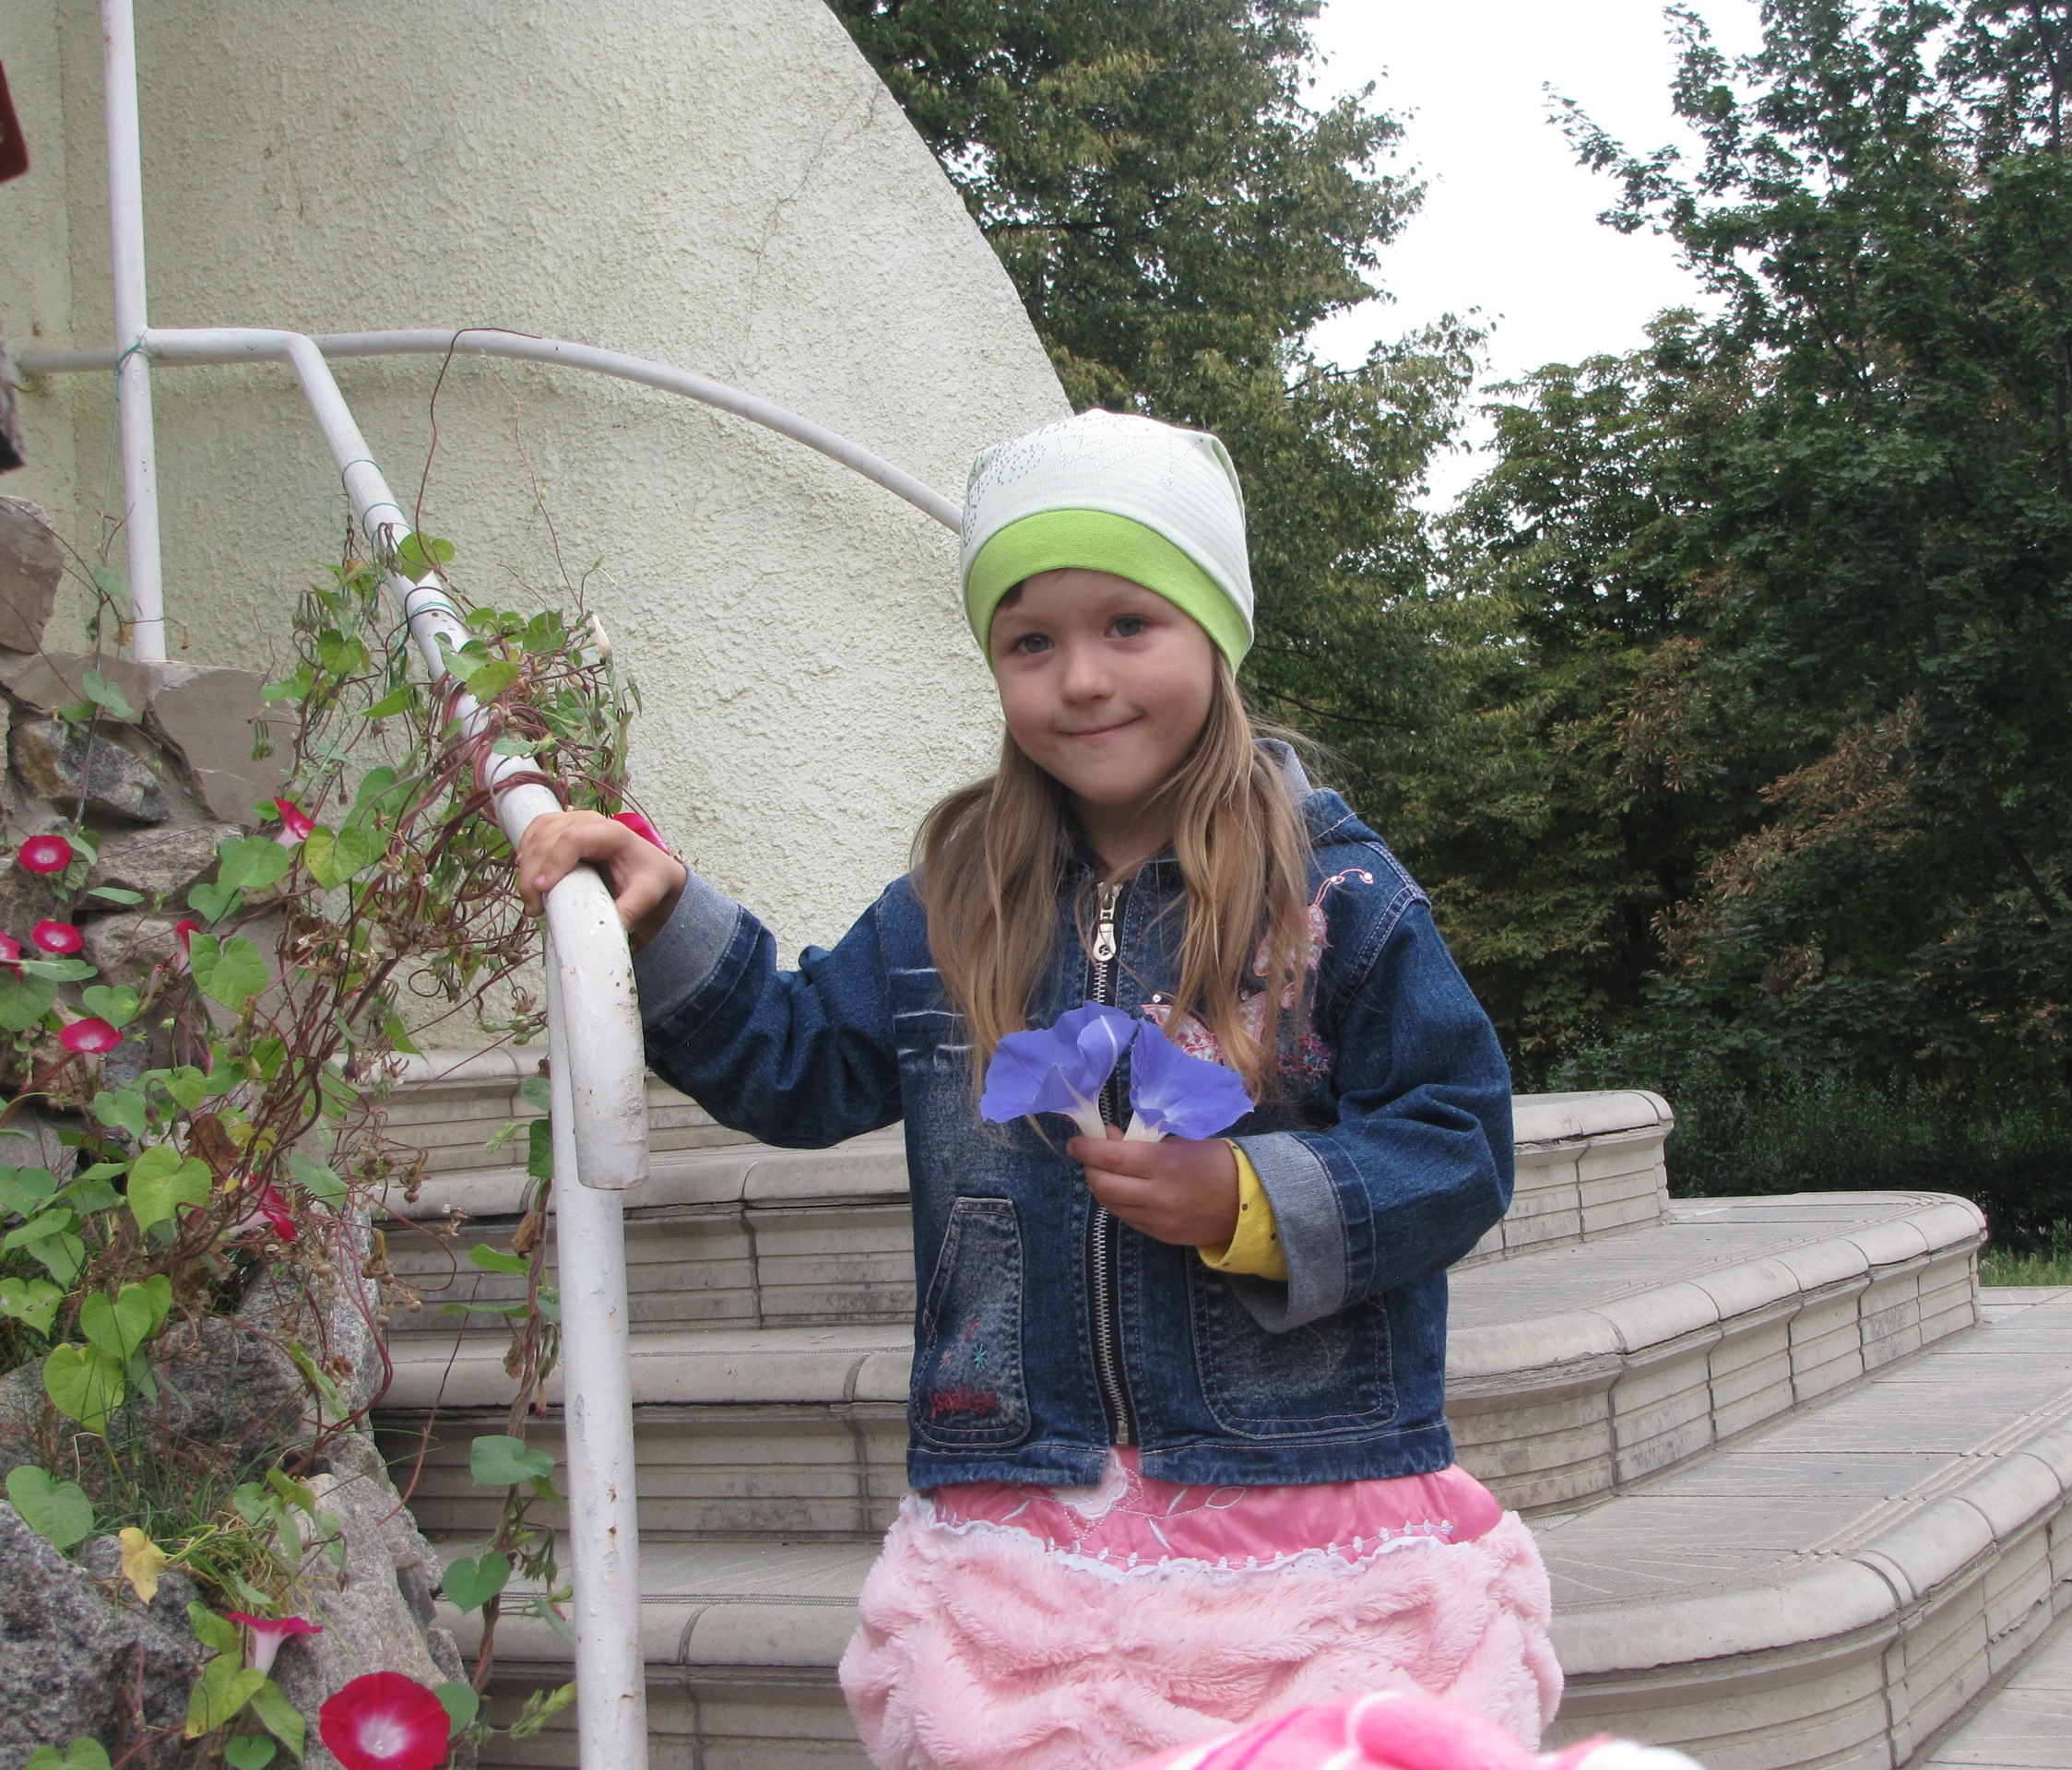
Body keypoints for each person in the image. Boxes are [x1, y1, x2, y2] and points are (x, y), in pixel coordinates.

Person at [515, 410, 1559, 1770]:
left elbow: (1458, 1140)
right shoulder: (956, 900)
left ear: (1216, 632)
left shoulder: (1333, 895)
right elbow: (800, 1062)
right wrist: (662, 924)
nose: (1081, 679)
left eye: (1130, 623)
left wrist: (1247, 1197)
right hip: (1022, 1515)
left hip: (1294, 1500)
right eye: (1030, 642)